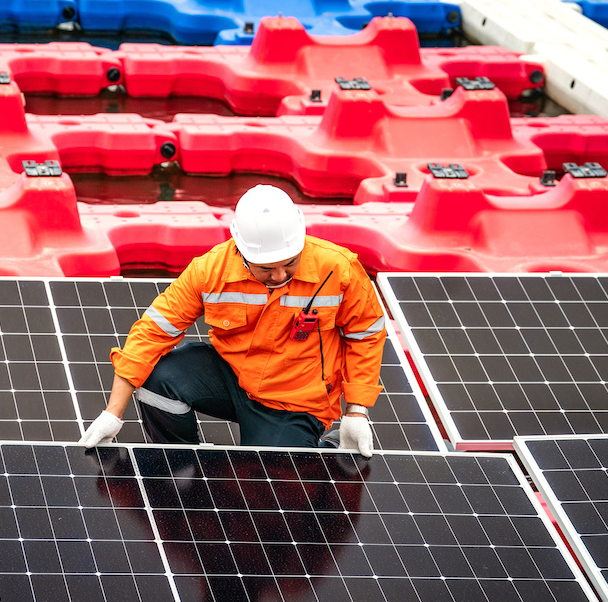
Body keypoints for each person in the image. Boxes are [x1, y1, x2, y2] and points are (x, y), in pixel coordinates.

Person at [79, 184, 386, 454]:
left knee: (270, 489)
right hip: (233, 377)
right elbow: (151, 333)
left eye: (290, 263)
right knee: (156, 380)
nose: (279, 276)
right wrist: (113, 413)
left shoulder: (338, 269)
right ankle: (183, 462)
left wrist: (356, 412)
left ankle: (324, 448)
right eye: (266, 268)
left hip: (295, 400)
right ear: (240, 251)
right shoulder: (210, 271)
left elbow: (366, 334)